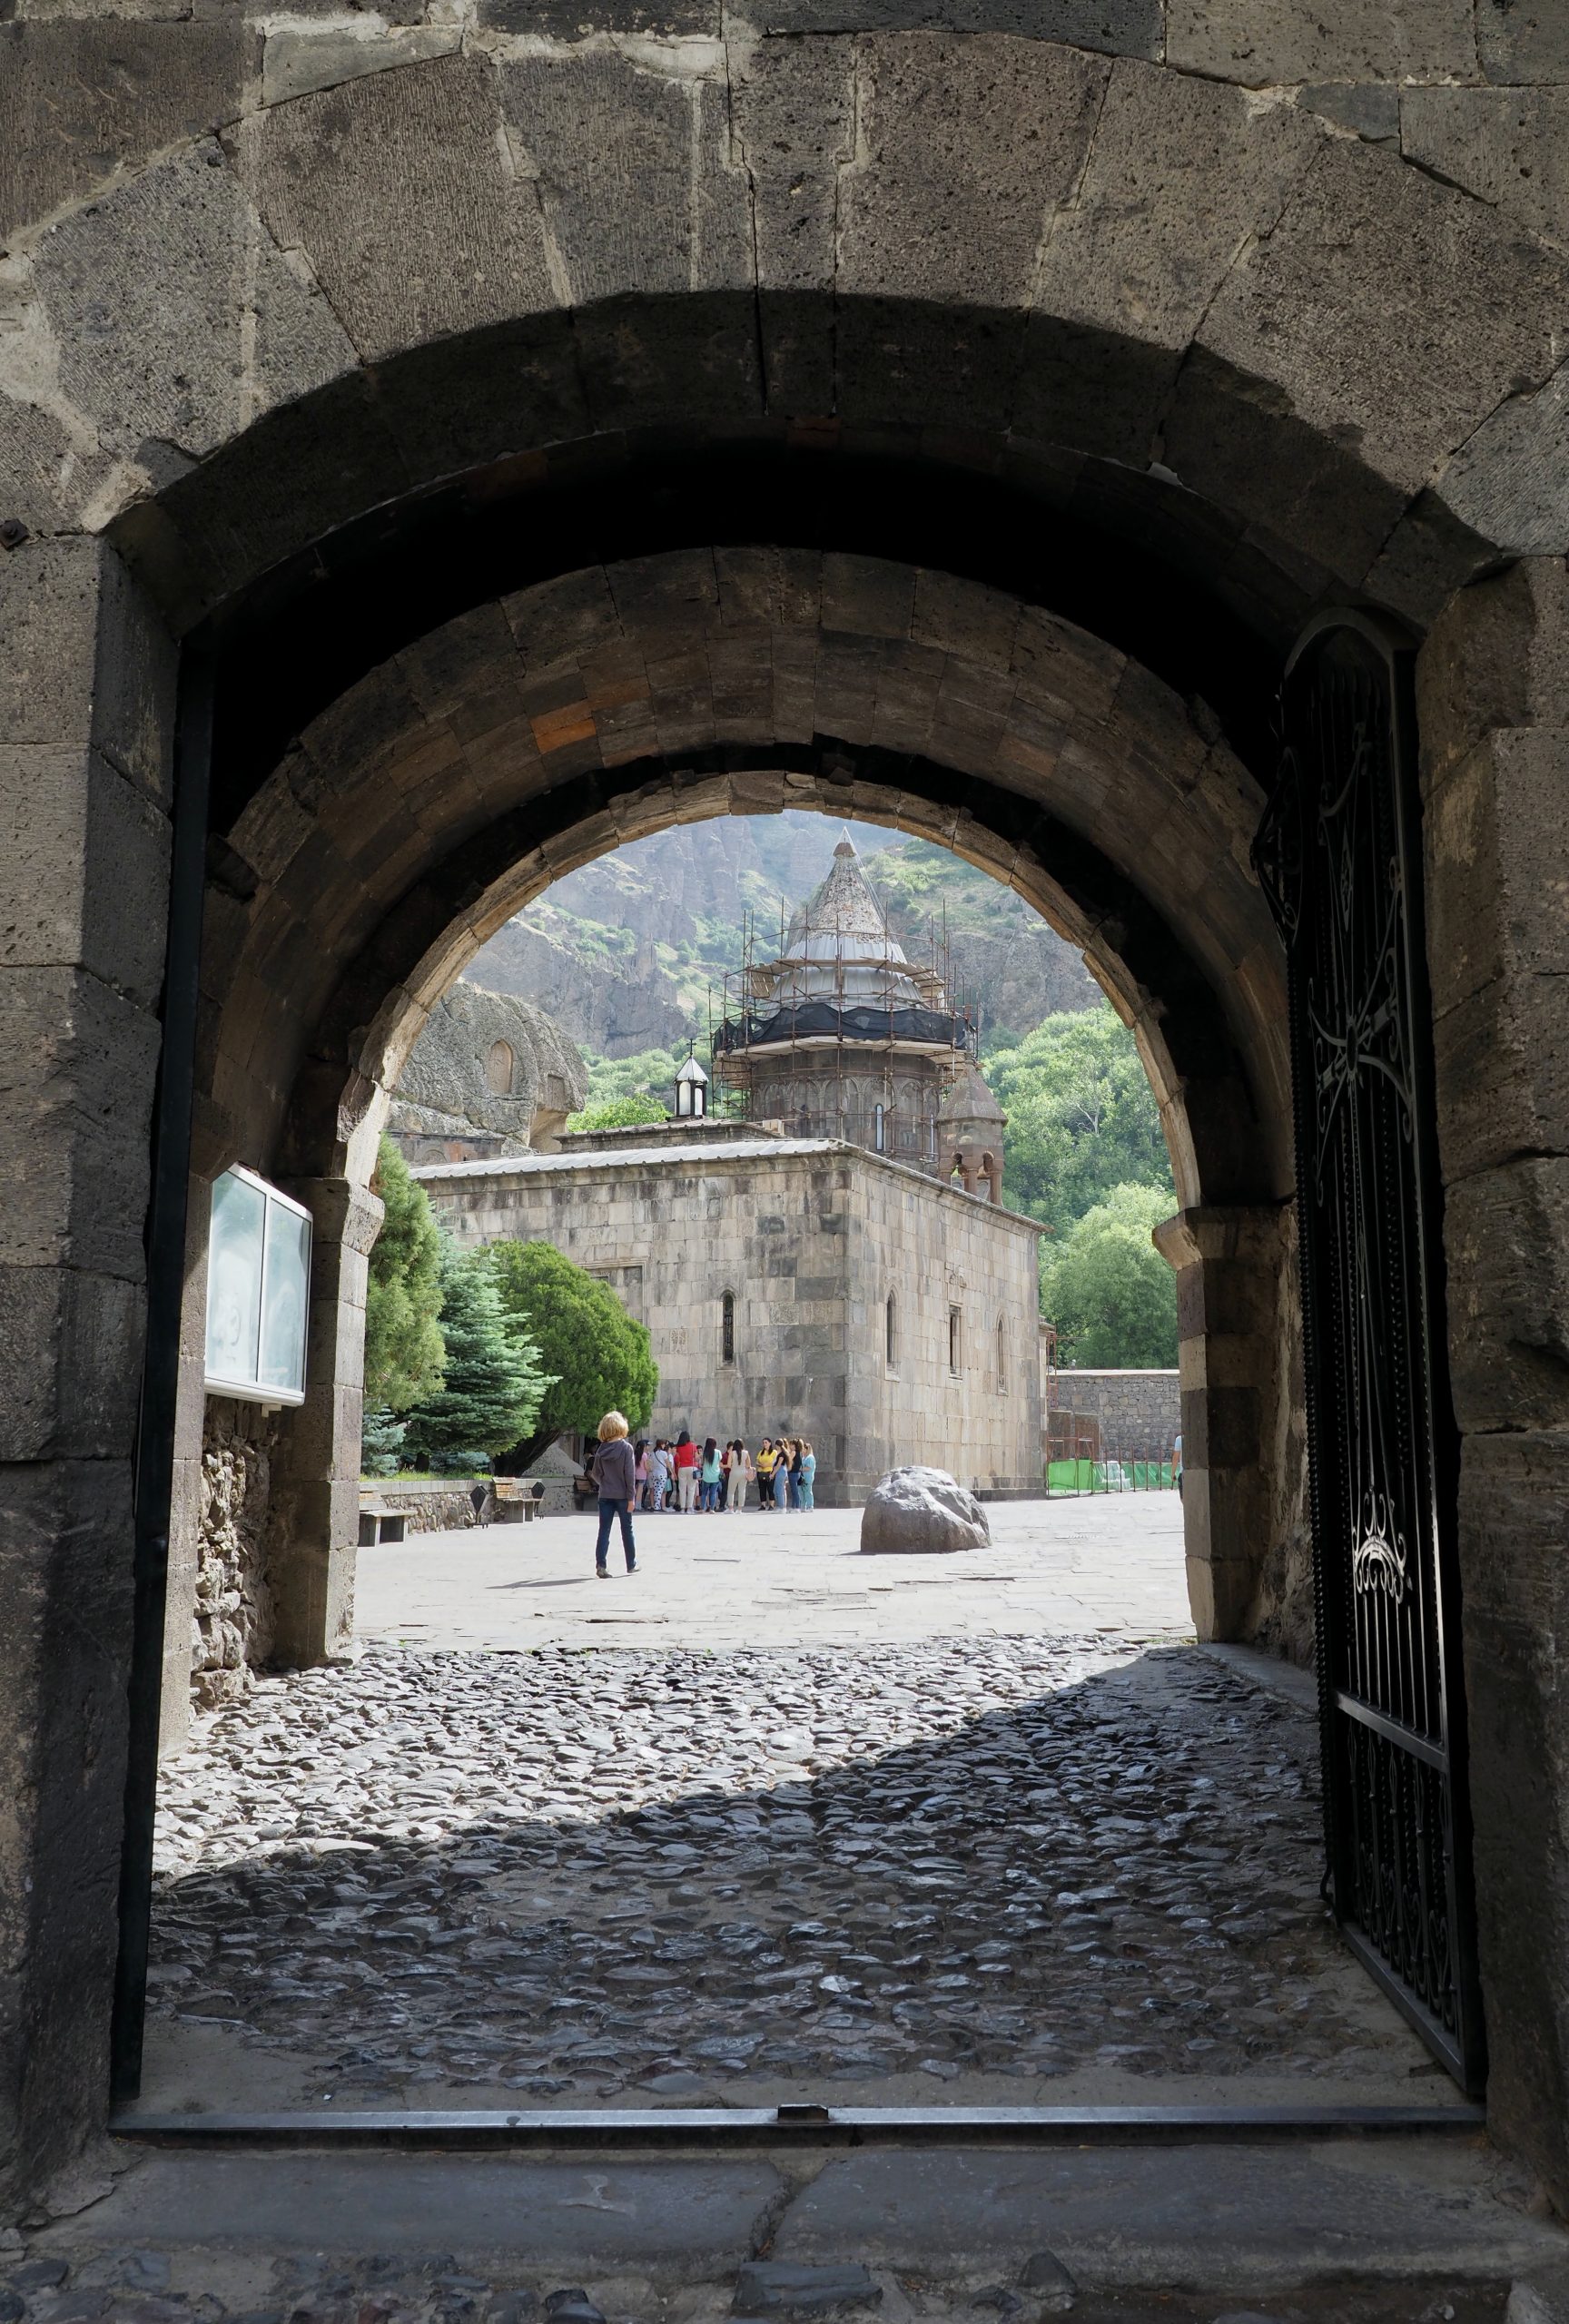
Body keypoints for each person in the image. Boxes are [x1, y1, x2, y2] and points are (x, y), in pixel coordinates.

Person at [591, 1410, 638, 1579]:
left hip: (605, 1495)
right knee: (627, 1530)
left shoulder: (601, 1450)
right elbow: (630, 1475)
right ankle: (631, 1564)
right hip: (623, 1496)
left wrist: (604, 1483)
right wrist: (631, 1497)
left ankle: (601, 1564)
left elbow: (595, 1473)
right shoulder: (626, 1448)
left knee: (604, 1530)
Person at [674, 1428, 699, 1512]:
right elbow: (696, 1458)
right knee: (691, 1489)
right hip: (691, 1468)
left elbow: (678, 1458)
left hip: (682, 1468)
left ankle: (682, 1508)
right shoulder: (693, 1446)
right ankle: (689, 1508)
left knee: (682, 1489)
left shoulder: (678, 1447)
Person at [725, 1438, 753, 1512]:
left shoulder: (731, 1452)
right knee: (742, 1490)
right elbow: (748, 1465)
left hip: (734, 1472)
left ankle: (731, 1509)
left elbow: (728, 1465)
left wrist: (733, 1467)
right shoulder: (746, 1452)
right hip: (743, 1473)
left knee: (731, 1491)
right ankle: (739, 1509)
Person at [698, 1434, 724, 1512]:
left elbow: (702, 1464)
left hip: (706, 1477)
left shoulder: (704, 1454)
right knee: (713, 1493)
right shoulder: (718, 1452)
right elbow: (720, 1461)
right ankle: (712, 1509)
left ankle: (703, 1508)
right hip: (715, 1476)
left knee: (704, 1493)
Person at [648, 1439, 672, 1512]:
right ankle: (657, 1506)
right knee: (660, 1490)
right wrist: (672, 1472)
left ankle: (656, 1505)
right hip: (662, 1473)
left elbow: (651, 1463)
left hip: (654, 1473)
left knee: (656, 1490)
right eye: (664, 1444)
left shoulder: (652, 1453)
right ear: (661, 1444)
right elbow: (667, 1464)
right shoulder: (664, 1453)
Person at [755, 1438, 776, 1512]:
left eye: (766, 1442)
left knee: (770, 1489)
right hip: (761, 1472)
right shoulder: (761, 1452)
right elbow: (757, 1461)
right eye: (763, 1443)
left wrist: (766, 1465)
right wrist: (761, 1465)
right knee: (762, 1489)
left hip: (769, 1472)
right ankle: (763, 1505)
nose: (764, 1444)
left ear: (770, 1443)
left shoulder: (774, 1452)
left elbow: (775, 1462)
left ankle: (771, 1505)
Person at [774, 1436, 793, 1512]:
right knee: (779, 1489)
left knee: (779, 1490)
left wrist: (773, 1474)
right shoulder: (783, 1453)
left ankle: (782, 1507)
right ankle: (780, 1506)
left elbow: (778, 1465)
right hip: (782, 1472)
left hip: (780, 1472)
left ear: (777, 1445)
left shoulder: (781, 1454)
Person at [798, 1440, 816, 1511]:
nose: (802, 1450)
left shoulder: (810, 1457)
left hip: (808, 1477)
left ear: (807, 1449)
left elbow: (808, 1467)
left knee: (807, 1491)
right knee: (801, 1491)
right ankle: (803, 1506)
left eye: (803, 1449)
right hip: (802, 1477)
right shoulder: (803, 1458)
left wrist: (800, 1469)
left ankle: (810, 1506)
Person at [788, 1438, 804, 1511]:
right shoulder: (799, 1452)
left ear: (794, 1445)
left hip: (793, 1473)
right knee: (794, 1490)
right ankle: (793, 1506)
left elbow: (788, 1460)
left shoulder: (793, 1452)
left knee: (794, 1491)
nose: (789, 1446)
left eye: (791, 1444)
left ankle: (797, 1507)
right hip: (797, 1473)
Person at [634, 1438, 650, 1509]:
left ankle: (633, 1505)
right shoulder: (644, 1455)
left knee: (635, 1490)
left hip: (635, 1474)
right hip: (642, 1475)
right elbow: (646, 1466)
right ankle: (638, 1506)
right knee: (640, 1491)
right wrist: (649, 1470)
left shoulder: (634, 1454)